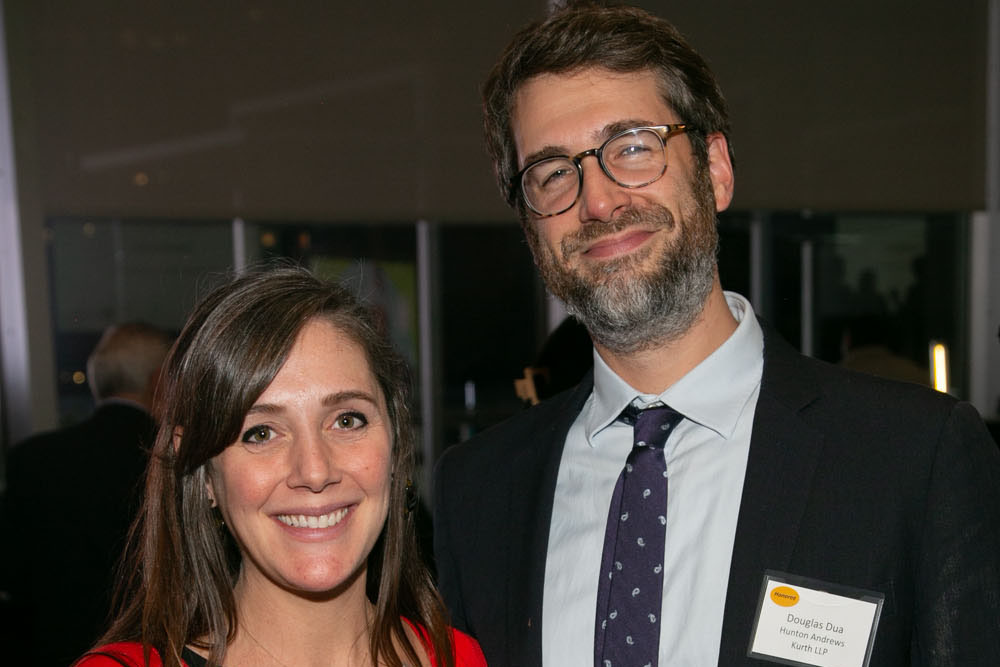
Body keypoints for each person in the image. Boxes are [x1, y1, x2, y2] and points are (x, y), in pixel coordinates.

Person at [432, 3, 1000, 666]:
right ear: (531, 228)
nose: (599, 201)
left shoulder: (914, 460)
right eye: (554, 172)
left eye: (633, 147)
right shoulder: (479, 492)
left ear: (716, 170)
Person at [74, 265, 485, 667]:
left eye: (347, 420)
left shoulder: (459, 658)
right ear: (202, 472)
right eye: (261, 433)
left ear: (395, 444)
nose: (315, 471)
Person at [2, 321, 172, 667]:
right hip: (144, 654)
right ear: (159, 381)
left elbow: (11, 575)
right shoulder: (167, 462)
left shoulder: (32, 458)